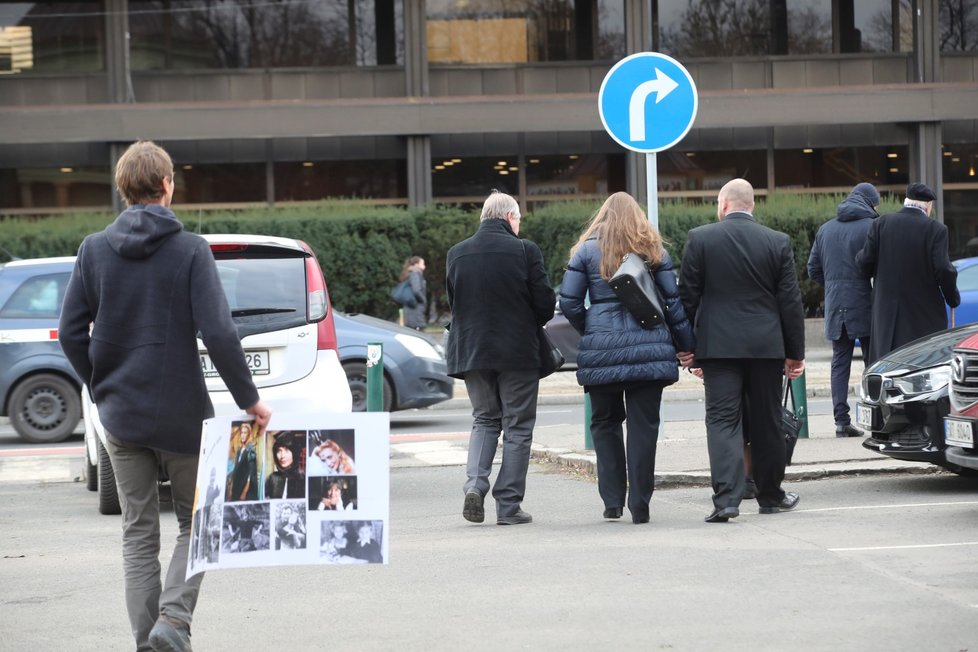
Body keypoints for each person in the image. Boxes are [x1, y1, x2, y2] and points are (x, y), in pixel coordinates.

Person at [58, 140, 272, 652]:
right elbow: (219, 333)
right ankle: (173, 624)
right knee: (201, 522)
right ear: (168, 185)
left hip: (120, 417)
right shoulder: (190, 249)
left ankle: (148, 641)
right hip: (182, 416)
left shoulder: (94, 249)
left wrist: (99, 383)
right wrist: (250, 401)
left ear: (122, 189)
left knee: (138, 533)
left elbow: (70, 332)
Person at [559, 192, 696, 524]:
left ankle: (612, 501)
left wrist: (591, 328)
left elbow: (569, 304)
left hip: (602, 351)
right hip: (649, 348)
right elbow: (673, 302)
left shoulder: (586, 251)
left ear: (602, 215)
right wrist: (687, 344)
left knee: (604, 423)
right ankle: (641, 503)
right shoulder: (653, 249)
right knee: (643, 426)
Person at [678, 178, 806, 523]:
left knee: (722, 421)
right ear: (752, 206)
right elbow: (790, 302)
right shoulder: (777, 242)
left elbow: (686, 297)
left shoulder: (701, 239)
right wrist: (795, 353)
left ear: (723, 204)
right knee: (767, 421)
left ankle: (726, 500)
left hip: (717, 348)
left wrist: (685, 347)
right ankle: (770, 495)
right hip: (766, 348)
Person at [445, 190, 556, 526]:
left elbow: (454, 303)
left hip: (472, 352)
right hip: (518, 353)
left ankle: (475, 485)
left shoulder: (456, 254)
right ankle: (508, 505)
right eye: (518, 219)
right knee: (518, 426)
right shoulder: (525, 250)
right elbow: (545, 304)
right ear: (510, 217)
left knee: (484, 419)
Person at [855, 182, 960, 364]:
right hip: (923, 317)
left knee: (888, 367)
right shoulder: (936, 230)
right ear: (928, 206)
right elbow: (943, 269)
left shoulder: (881, 224)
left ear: (906, 201)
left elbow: (864, 262)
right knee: (922, 367)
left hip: (886, 314)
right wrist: (953, 298)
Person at [807, 182, 880, 438]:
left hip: (836, 303)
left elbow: (812, 269)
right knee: (873, 362)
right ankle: (877, 417)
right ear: (870, 203)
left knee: (840, 363)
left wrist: (834, 284)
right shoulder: (872, 226)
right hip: (867, 301)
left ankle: (841, 421)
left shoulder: (826, 229)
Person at [265, 432, 305, 499]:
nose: (282, 456)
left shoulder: (303, 478)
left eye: (286, 450)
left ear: (294, 452)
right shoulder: (272, 478)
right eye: (279, 451)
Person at [228, 421, 259, 501]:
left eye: (245, 433)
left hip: (244, 488)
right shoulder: (239, 449)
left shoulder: (250, 450)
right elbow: (235, 471)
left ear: (249, 434)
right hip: (236, 487)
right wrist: (231, 487)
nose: (242, 435)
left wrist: (244, 492)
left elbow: (250, 474)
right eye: (242, 432)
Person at [400, 256, 428, 331]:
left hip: (413, 311)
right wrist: (423, 300)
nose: (424, 266)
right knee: (419, 335)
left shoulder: (412, 273)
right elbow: (416, 290)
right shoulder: (415, 274)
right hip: (415, 311)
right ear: (416, 264)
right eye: (422, 263)